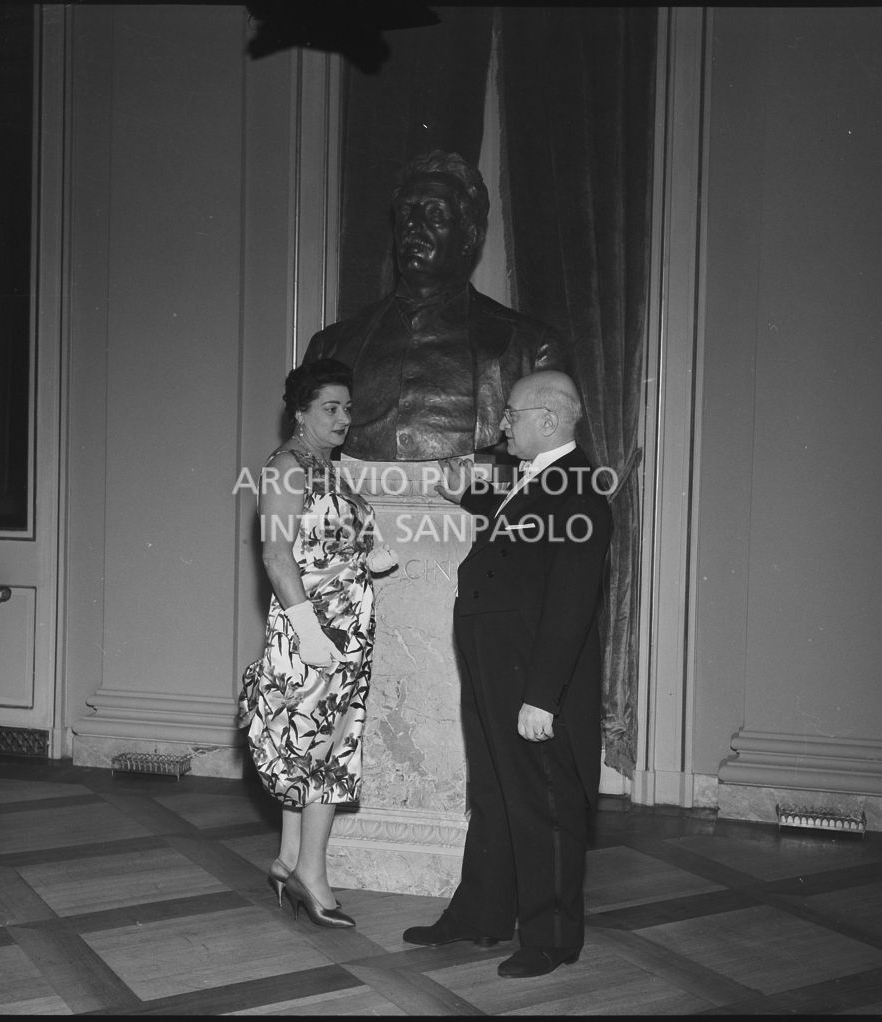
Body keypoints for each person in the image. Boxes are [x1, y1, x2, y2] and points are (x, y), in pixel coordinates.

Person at [402, 369, 613, 978]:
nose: (502, 425)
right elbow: (519, 517)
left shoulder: (580, 491)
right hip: (495, 664)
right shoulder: (542, 482)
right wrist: (463, 496)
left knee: (543, 803)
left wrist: (542, 697)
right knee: (493, 791)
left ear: (548, 420)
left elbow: (572, 606)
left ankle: (551, 939)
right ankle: (481, 915)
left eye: (512, 414)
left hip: (531, 678)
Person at [238, 358, 396, 928]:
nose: (343, 418)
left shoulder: (326, 468)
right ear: (300, 412)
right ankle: (312, 874)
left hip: (343, 626)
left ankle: (286, 858)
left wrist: (367, 554)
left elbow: (323, 538)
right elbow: (277, 556)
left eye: (347, 408)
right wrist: (309, 633)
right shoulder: (287, 467)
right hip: (315, 631)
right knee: (326, 748)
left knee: (308, 744)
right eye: (330, 408)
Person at [303, 150, 565, 462]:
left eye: (435, 214)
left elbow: (555, 481)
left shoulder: (531, 349)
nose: (414, 225)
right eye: (406, 214)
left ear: (468, 236)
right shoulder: (331, 348)